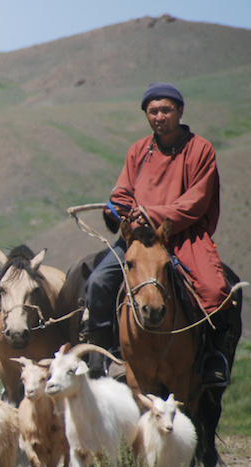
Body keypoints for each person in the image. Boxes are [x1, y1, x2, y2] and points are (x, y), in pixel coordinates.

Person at [83, 82, 232, 385]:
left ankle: (213, 358)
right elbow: (123, 190)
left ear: (180, 111)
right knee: (99, 281)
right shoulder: (138, 150)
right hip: (142, 240)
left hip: (183, 235)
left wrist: (154, 213)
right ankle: (102, 355)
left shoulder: (201, 149)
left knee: (216, 291)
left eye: (166, 109)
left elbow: (197, 201)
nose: (159, 116)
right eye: (153, 111)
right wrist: (117, 208)